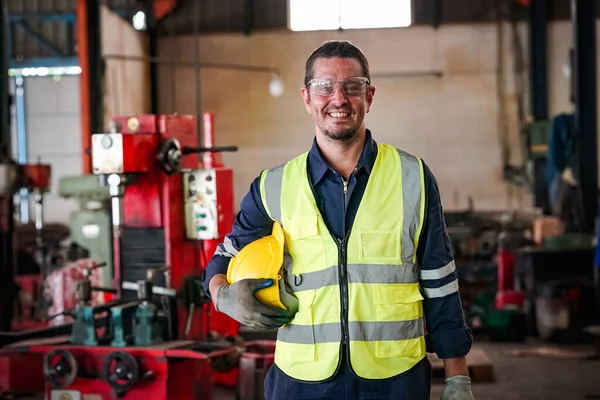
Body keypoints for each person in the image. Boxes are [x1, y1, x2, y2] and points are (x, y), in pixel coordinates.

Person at [202, 40, 474, 400]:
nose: (339, 99)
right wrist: (224, 296)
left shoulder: (414, 178)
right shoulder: (273, 186)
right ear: (306, 97)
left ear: (370, 96)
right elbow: (221, 260)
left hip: (394, 379)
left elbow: (440, 283)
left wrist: (458, 378)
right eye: (324, 87)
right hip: (301, 381)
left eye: (352, 86)